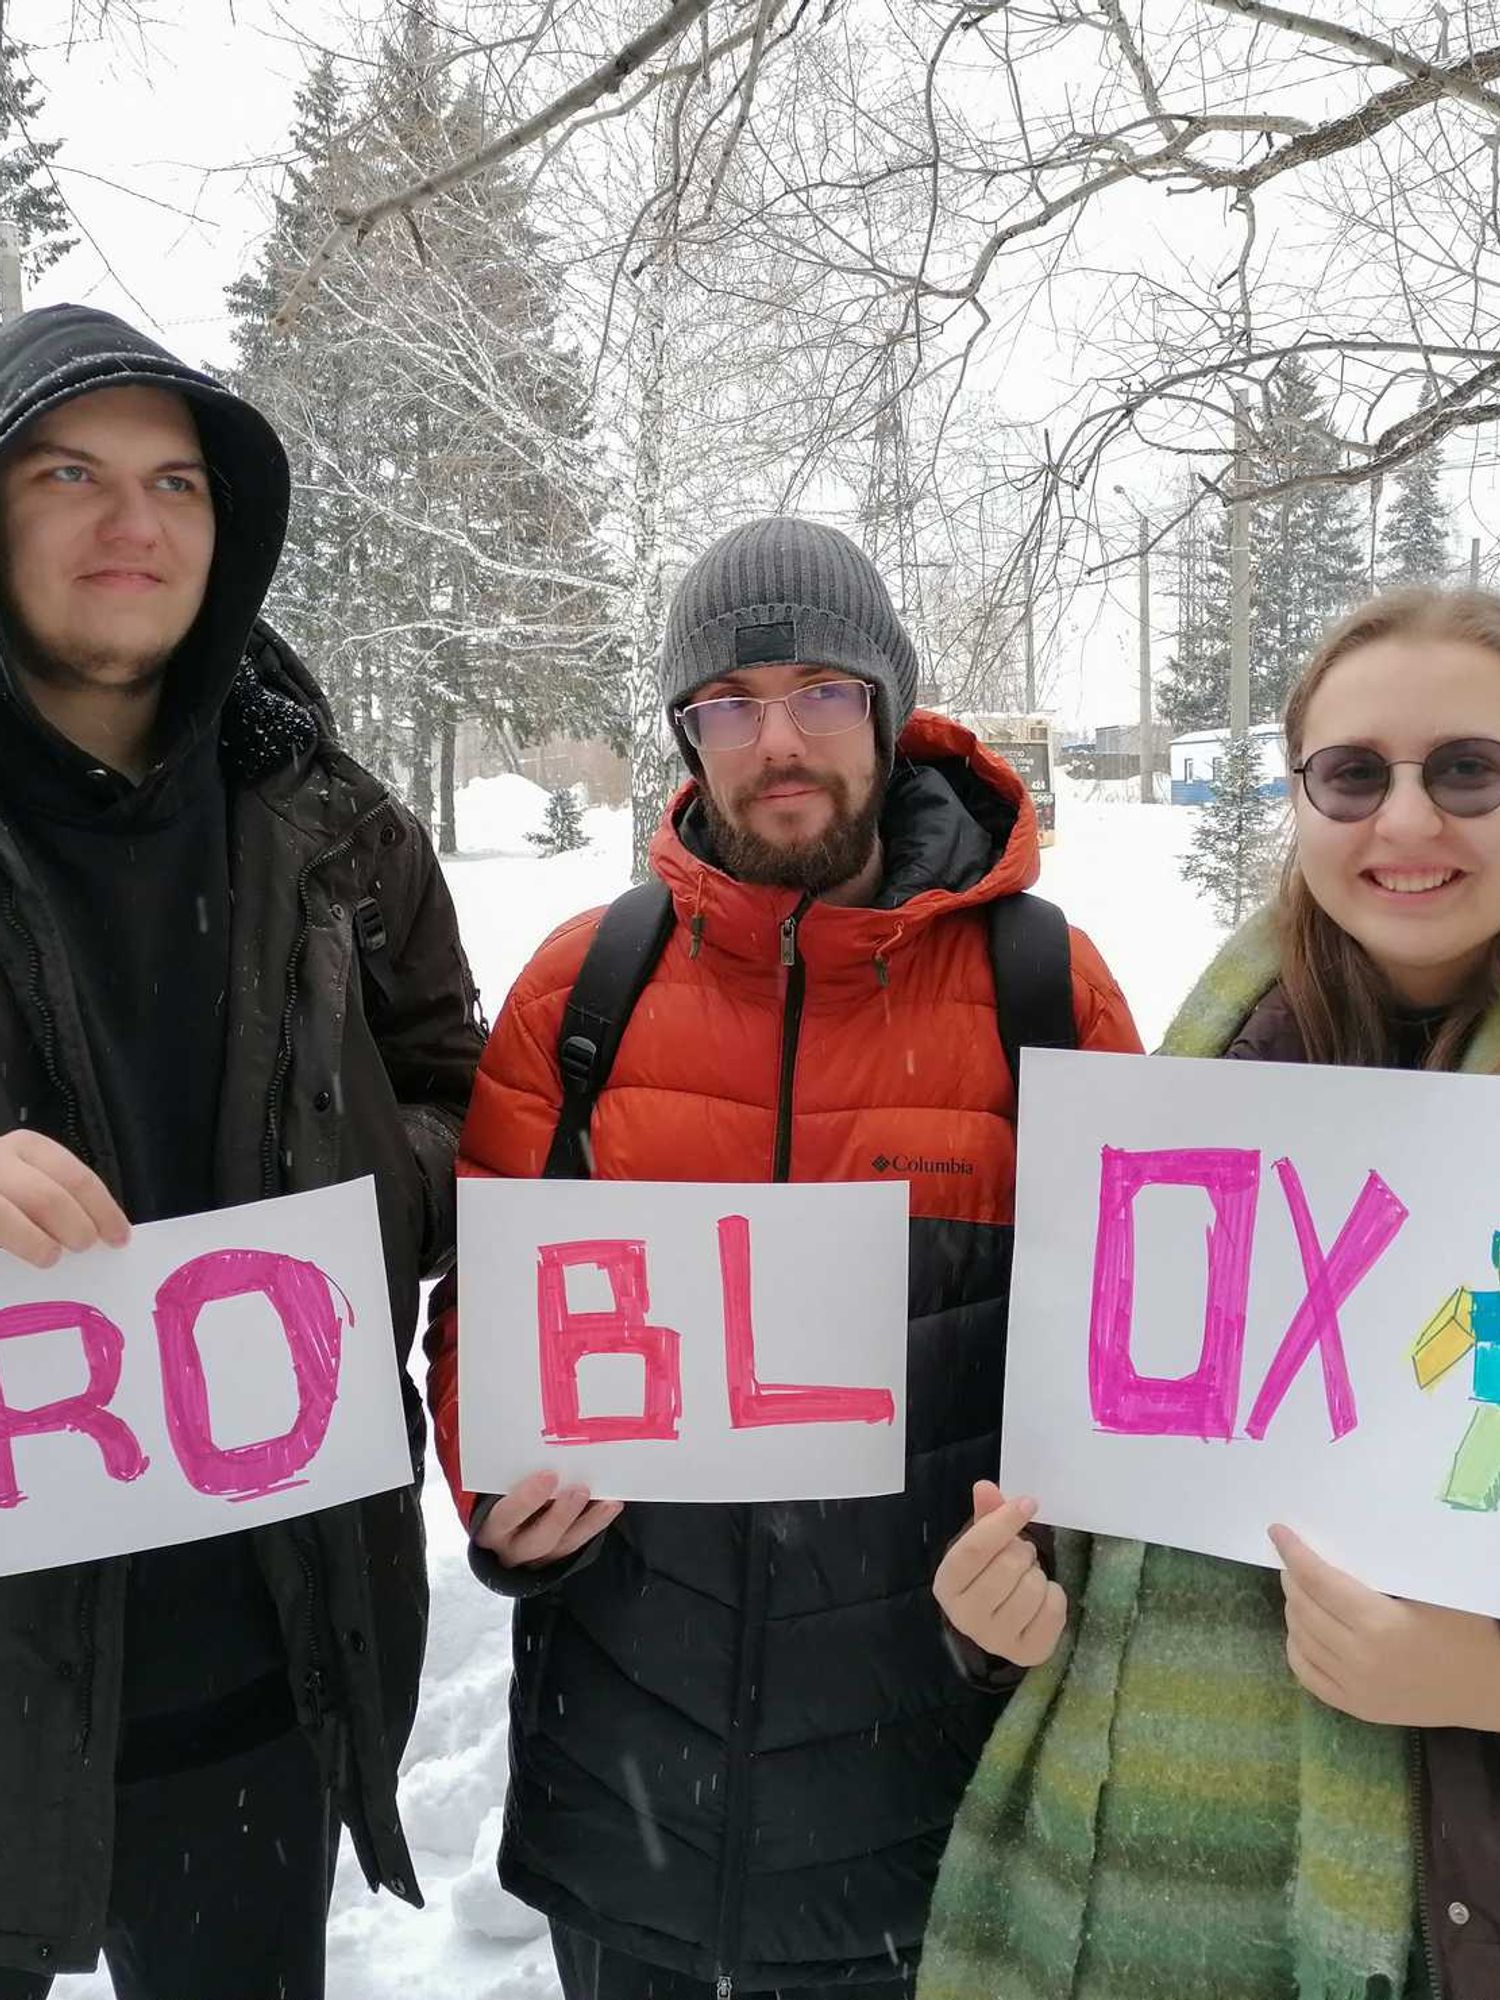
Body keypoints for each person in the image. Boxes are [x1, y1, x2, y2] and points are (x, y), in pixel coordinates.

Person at [426, 516, 1141, 2000]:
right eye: (732, 705)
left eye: (820, 691)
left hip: (927, 1794)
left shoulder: (1040, 986)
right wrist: (498, 1501)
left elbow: (1130, 1364)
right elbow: (487, 1305)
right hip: (629, 1785)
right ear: (689, 733)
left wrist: (1048, 1581)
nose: (779, 742)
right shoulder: (585, 988)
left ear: (886, 704)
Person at [0, 305, 484, 2000]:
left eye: (178, 482)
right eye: (70, 470)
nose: (133, 523)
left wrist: (352, 1200)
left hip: (258, 1657)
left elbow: (461, 1099)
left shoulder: (337, 822)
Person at [922, 586, 1500, 2000]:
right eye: (1354, 774)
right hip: (1136, 1901)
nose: (1406, 823)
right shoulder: (1199, 1083)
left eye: (1471, 770)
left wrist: (1479, 1678)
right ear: (1299, 799)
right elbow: (1114, 1507)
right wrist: (999, 1609)